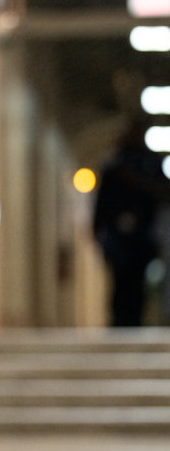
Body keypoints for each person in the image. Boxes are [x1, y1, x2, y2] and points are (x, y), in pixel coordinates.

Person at [94, 118, 164, 326]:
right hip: (118, 232)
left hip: (143, 232)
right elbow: (102, 201)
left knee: (137, 280)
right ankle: (119, 320)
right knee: (120, 279)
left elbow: (160, 196)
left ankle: (134, 319)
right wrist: (97, 229)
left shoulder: (151, 163)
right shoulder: (115, 163)